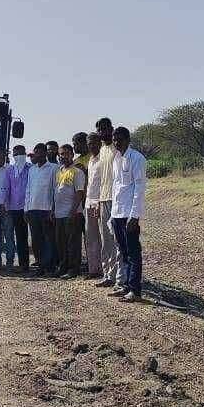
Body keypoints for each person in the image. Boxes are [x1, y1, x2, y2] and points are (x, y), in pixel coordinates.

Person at [109, 127, 159, 305]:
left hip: (129, 214)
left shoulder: (137, 158)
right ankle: (125, 286)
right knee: (123, 252)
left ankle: (135, 290)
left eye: (120, 139)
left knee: (133, 253)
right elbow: (116, 187)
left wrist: (135, 216)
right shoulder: (116, 158)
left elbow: (139, 188)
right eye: (115, 140)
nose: (117, 142)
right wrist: (112, 215)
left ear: (128, 140)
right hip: (117, 213)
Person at [93, 119, 122, 289]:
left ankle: (119, 277)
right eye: (99, 130)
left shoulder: (117, 149)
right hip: (103, 199)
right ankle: (108, 274)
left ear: (111, 129)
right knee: (106, 241)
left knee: (117, 240)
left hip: (116, 199)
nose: (102, 132)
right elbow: (99, 180)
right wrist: (96, 201)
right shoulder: (102, 150)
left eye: (104, 129)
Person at [52, 143, 86, 279]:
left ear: (72, 155)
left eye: (66, 154)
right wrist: (53, 210)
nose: (64, 156)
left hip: (72, 213)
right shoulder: (59, 171)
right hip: (59, 213)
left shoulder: (77, 172)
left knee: (73, 243)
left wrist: (73, 211)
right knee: (61, 243)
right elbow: (56, 192)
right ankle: (63, 266)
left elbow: (79, 193)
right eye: (61, 154)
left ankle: (73, 269)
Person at [24, 143, 58, 276]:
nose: (37, 155)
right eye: (35, 152)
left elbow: (55, 190)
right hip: (32, 209)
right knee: (36, 240)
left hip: (46, 209)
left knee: (48, 239)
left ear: (45, 153)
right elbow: (28, 190)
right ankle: (40, 265)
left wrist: (53, 209)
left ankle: (49, 266)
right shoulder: (32, 170)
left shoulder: (54, 168)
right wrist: (26, 209)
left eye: (39, 152)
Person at [4, 145, 32, 273]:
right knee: (19, 236)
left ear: (25, 154)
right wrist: (6, 204)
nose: (18, 156)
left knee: (31, 236)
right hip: (14, 208)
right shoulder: (10, 170)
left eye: (20, 153)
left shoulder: (30, 168)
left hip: (28, 207)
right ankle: (23, 264)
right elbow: (7, 188)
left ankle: (39, 263)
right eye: (15, 154)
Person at [83, 132, 105, 279]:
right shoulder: (91, 160)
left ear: (100, 143)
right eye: (89, 144)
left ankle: (106, 270)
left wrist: (98, 202)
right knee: (90, 238)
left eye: (94, 143)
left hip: (99, 202)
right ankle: (93, 269)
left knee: (103, 239)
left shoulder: (104, 159)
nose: (92, 146)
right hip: (88, 202)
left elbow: (105, 183)